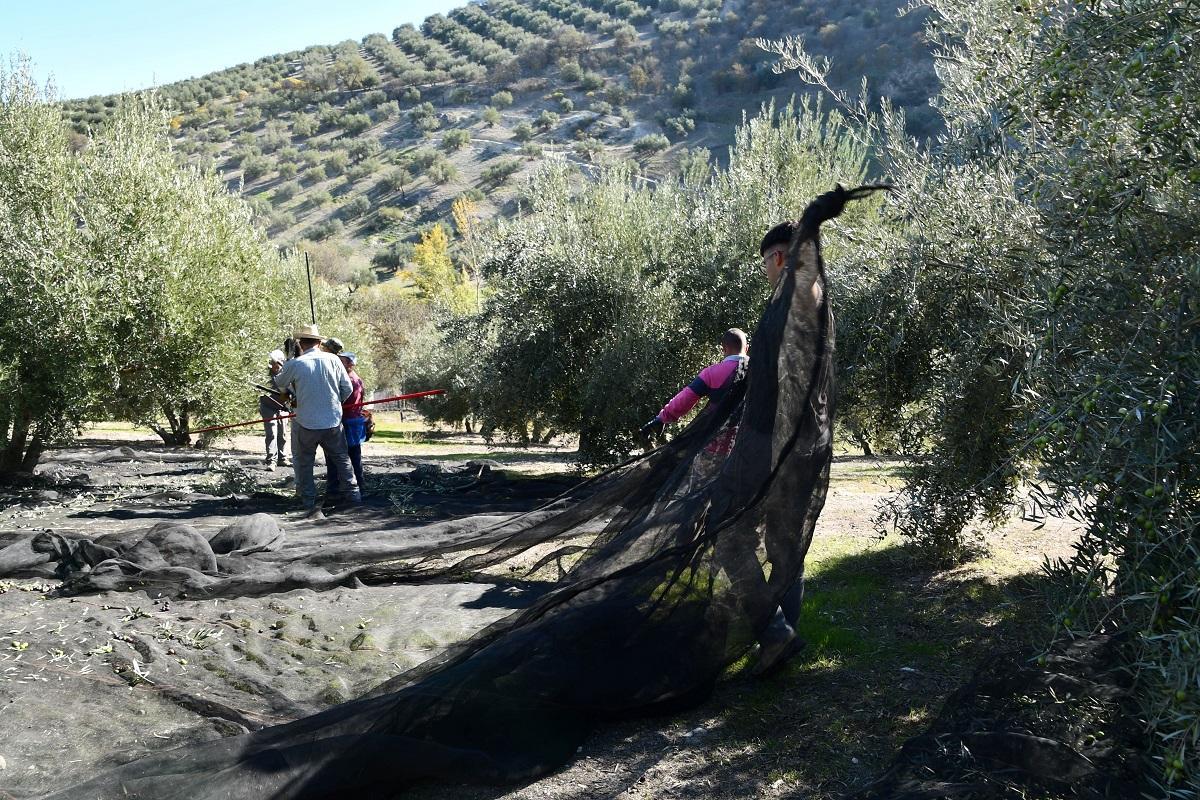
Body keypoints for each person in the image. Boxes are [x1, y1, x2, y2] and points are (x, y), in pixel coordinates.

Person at [272, 324, 361, 517]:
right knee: (342, 460)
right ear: (319, 342)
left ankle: (308, 502)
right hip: (333, 422)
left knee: (304, 464)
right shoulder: (334, 360)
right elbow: (347, 389)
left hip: (305, 422)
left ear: (301, 343)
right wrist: (335, 404)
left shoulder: (296, 364)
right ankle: (353, 497)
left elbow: (279, 383)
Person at [639, 328, 749, 446]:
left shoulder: (711, 373)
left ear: (724, 349)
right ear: (747, 348)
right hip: (753, 446)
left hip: (719, 445)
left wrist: (662, 418)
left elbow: (685, 398)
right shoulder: (761, 370)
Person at [327, 351, 367, 493]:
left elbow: (343, 402)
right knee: (353, 454)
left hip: (349, 422)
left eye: (342, 361)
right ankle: (357, 485)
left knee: (350, 455)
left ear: (350, 364)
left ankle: (354, 487)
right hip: (353, 421)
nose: (338, 364)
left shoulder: (350, 381)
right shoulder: (354, 378)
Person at [259, 350, 290, 468]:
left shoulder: (286, 373)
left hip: (282, 407)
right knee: (271, 433)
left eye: (278, 363)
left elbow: (290, 390)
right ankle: (271, 460)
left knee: (282, 433)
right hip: (268, 407)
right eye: (273, 363)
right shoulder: (265, 376)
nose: (275, 366)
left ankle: (282, 458)